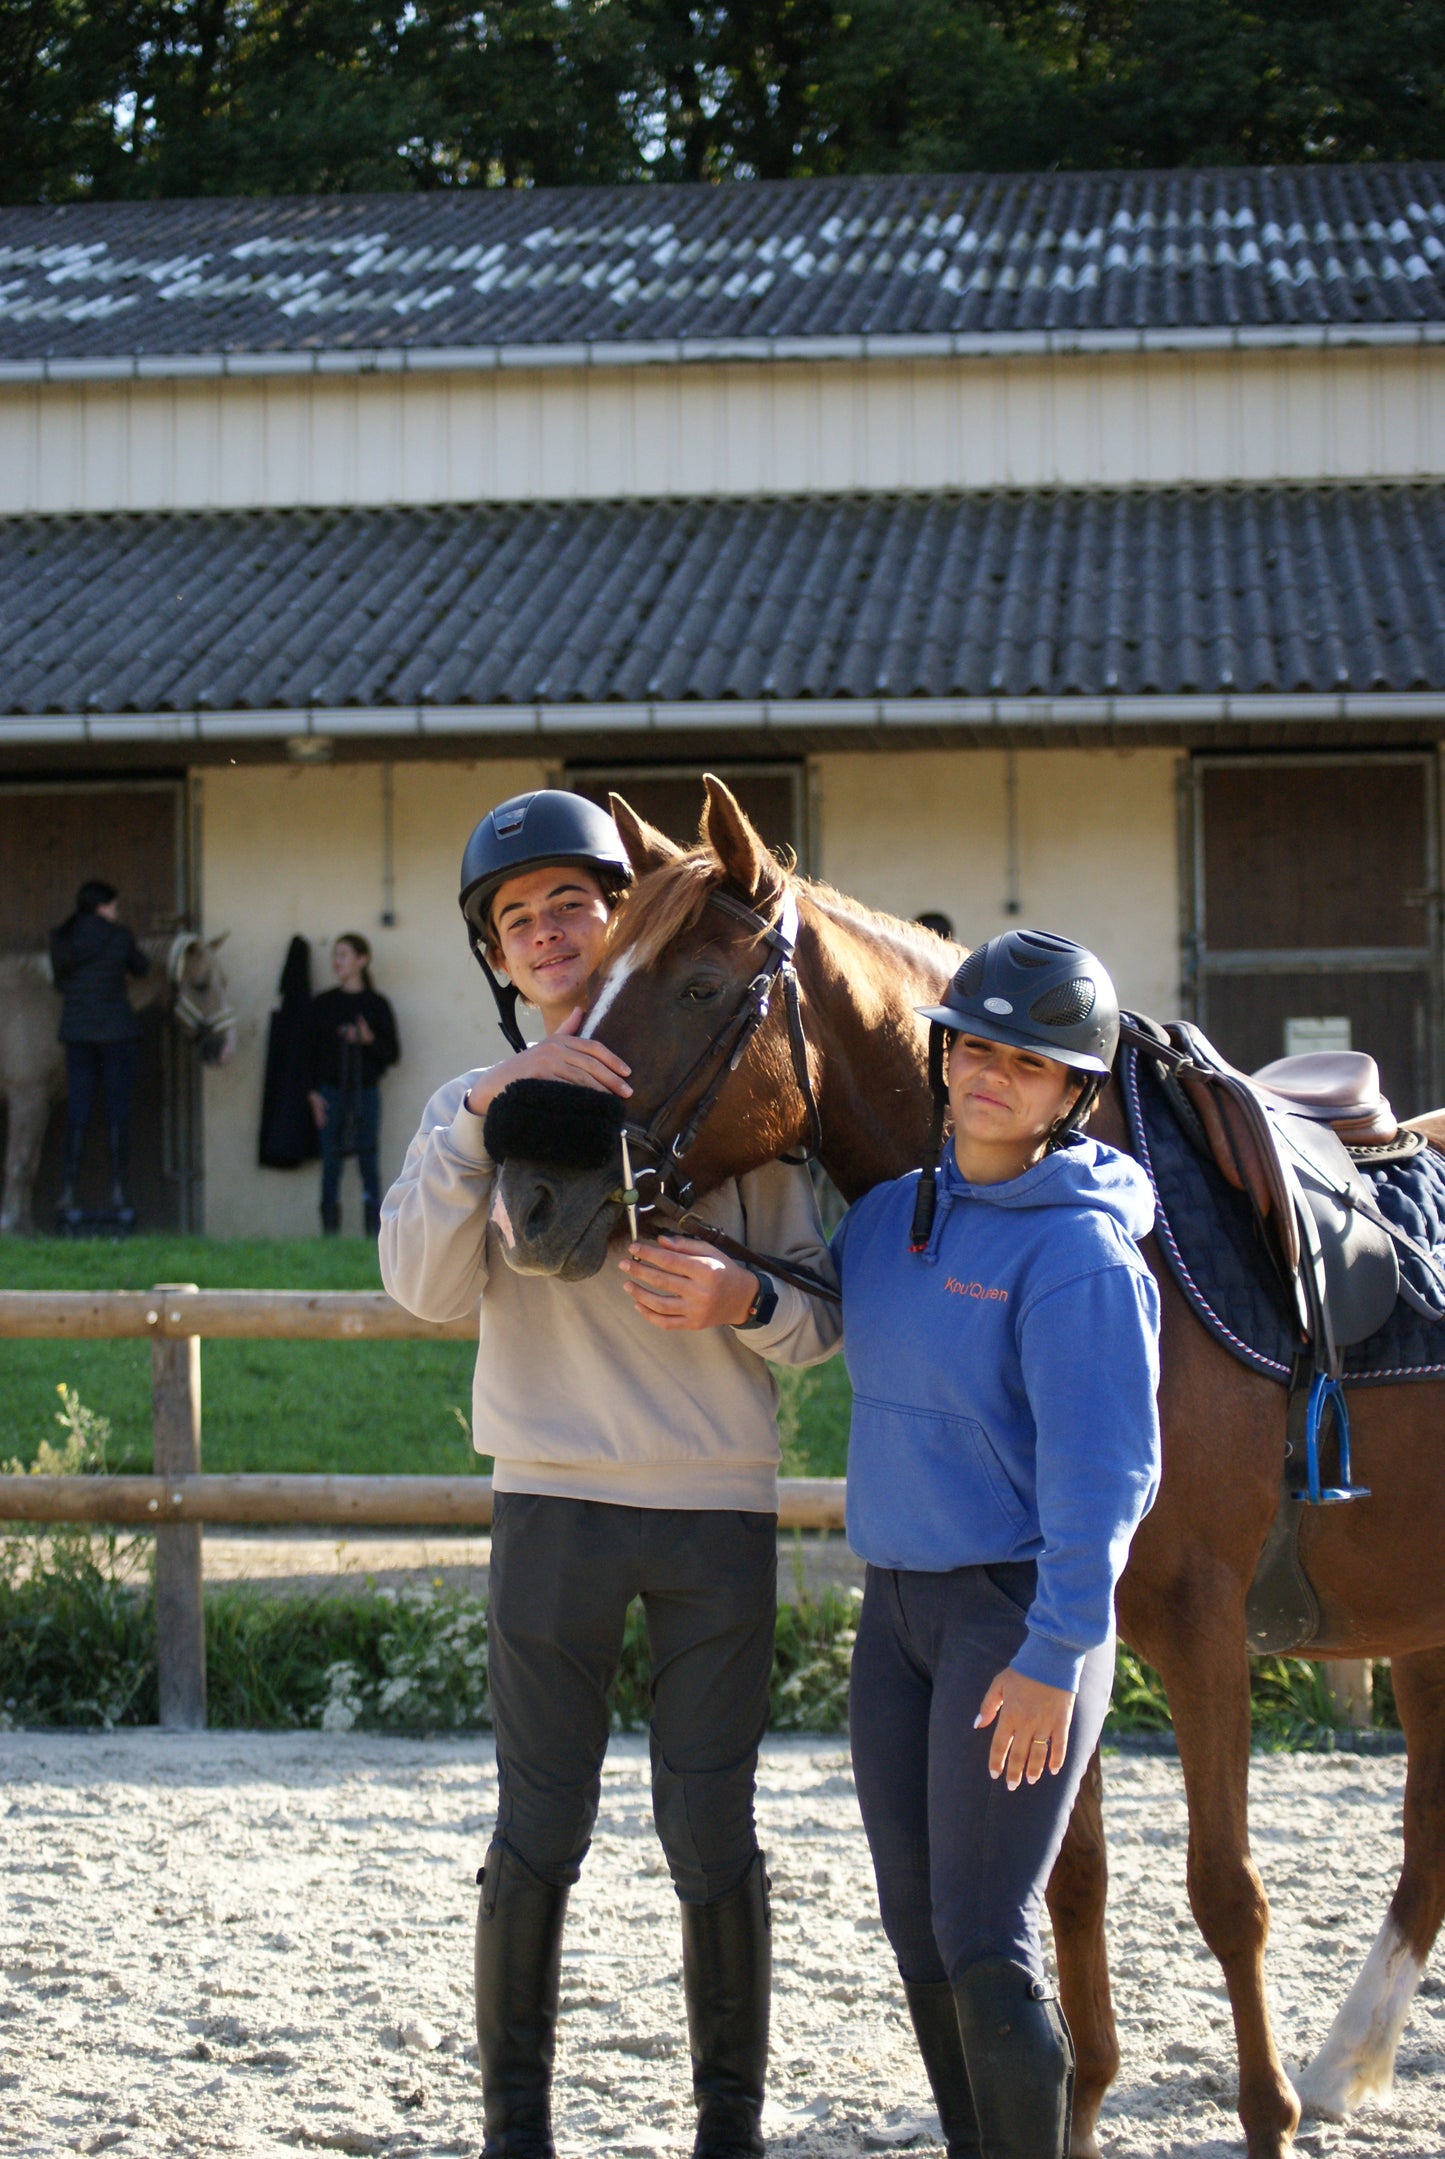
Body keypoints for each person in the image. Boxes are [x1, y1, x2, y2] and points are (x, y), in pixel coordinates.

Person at [379, 789, 840, 2159]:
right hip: (553, 1502)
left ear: (616, 912)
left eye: (568, 900)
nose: (545, 928)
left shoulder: (725, 1080)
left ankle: (729, 2131)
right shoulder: (472, 1105)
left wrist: (738, 1297)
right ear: (498, 957)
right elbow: (417, 1288)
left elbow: (821, 1320)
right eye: (516, 917)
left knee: (712, 1830)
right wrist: (480, 1113)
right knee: (539, 1823)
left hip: (711, 1510)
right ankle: (513, 2131)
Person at [832, 930, 1162, 2159]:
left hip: (1016, 1617)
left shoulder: (1076, 1251)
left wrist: (1057, 1645)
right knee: (915, 1922)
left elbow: (1109, 1474)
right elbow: (822, 1310)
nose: (988, 1073)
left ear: (1071, 1091)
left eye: (1024, 1062)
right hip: (896, 1614)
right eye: (972, 1045)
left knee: (982, 1929)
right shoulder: (883, 1219)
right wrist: (740, 1295)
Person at [50, 878, 150, 1228]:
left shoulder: (62, 938)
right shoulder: (119, 937)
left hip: (78, 1035)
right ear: (102, 907)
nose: (116, 911)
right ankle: (119, 1189)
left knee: (77, 1113)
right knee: (117, 1114)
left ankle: (68, 1188)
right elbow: (143, 968)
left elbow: (60, 983)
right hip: (117, 1035)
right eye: (114, 906)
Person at [307, 933, 399, 1236]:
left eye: (344, 955)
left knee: (368, 1162)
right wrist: (313, 1095)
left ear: (362, 960)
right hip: (330, 1093)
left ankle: (374, 1236)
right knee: (330, 1164)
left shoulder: (376, 1005)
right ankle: (329, 1235)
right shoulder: (323, 1004)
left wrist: (367, 1039)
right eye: (335, 955)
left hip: (366, 1092)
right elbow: (309, 1054)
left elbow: (392, 1054)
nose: (337, 961)